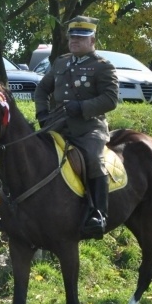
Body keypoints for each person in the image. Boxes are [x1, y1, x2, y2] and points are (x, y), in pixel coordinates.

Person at [34, 16, 119, 239]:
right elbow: (42, 89)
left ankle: (99, 214)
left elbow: (110, 99)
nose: (74, 41)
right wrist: (42, 113)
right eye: (72, 37)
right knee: (31, 152)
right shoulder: (61, 63)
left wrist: (81, 107)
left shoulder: (102, 66)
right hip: (57, 124)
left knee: (93, 158)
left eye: (81, 37)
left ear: (92, 40)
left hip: (89, 127)